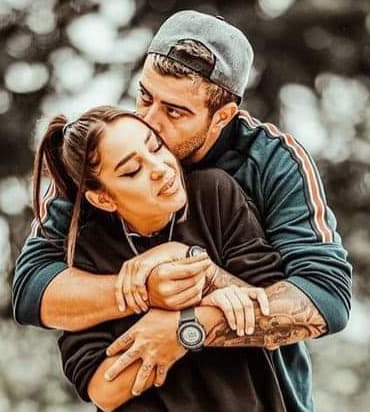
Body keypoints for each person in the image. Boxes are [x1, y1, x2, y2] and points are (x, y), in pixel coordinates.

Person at [13, 10, 352, 412]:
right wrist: (144, 288)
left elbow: (326, 296)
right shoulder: (106, 156)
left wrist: (188, 326)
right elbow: (32, 288)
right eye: (145, 97)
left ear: (222, 116)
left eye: (174, 111)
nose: (150, 122)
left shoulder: (272, 163)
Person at [31, 105, 289, 410]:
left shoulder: (215, 194)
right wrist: (179, 321)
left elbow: (273, 314)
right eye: (132, 170)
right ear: (103, 198)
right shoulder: (87, 252)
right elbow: (103, 389)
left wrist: (196, 284)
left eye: (155, 147)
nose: (160, 169)